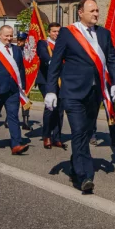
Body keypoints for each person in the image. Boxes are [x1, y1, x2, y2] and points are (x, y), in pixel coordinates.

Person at [43, 0, 115, 193]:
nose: (96, 14)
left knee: (85, 132)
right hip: (72, 92)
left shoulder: (104, 34)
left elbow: (111, 60)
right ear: (80, 13)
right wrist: (51, 90)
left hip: (95, 93)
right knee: (78, 131)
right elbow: (55, 63)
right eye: (92, 11)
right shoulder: (68, 33)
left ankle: (75, 161)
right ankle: (84, 176)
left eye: (97, 10)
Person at [0, 25, 30, 155]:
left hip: (13, 89)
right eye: (6, 36)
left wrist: (23, 87)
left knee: (13, 116)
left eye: (11, 36)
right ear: (0, 35)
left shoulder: (16, 50)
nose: (9, 38)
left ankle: (16, 144)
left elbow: (20, 69)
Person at [36, 22, 66, 150]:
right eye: (54, 31)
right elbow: (43, 55)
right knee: (50, 106)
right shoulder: (43, 44)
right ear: (49, 32)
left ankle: (57, 137)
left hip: (61, 79)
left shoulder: (63, 44)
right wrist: (52, 62)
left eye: (58, 31)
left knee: (60, 109)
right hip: (47, 80)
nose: (56, 34)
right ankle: (47, 135)